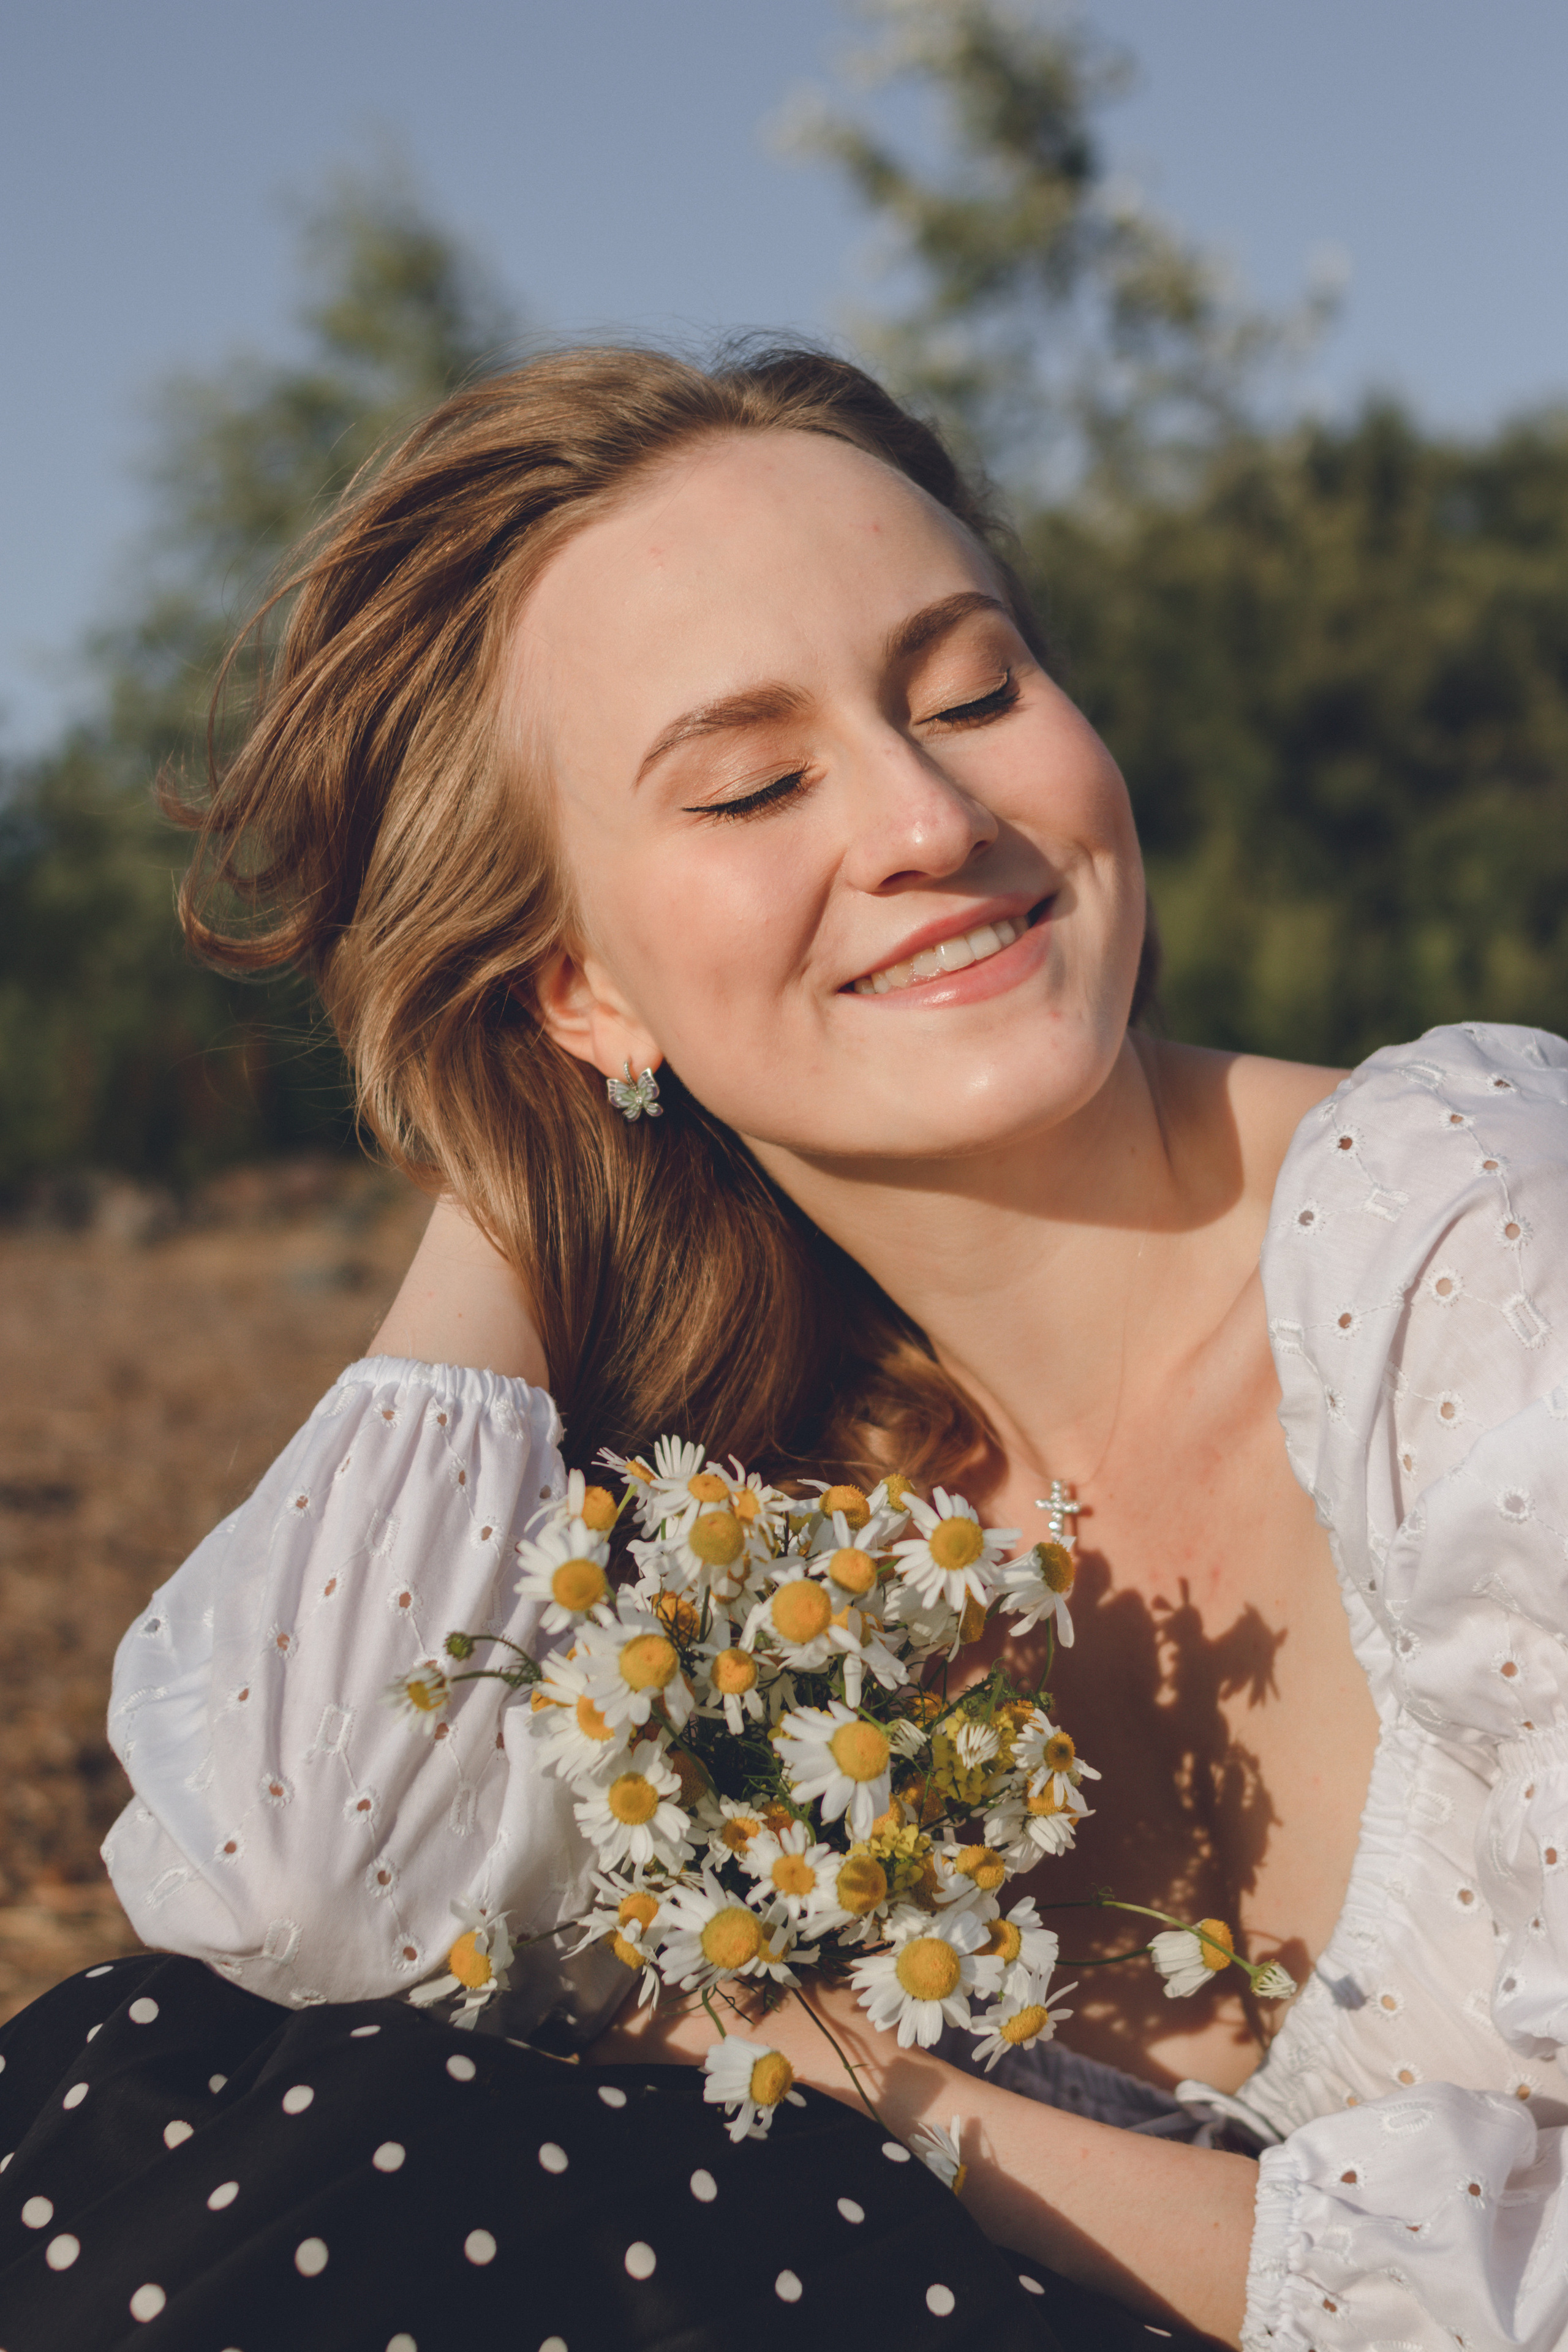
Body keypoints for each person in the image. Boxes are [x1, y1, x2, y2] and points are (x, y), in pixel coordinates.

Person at [2, 344, 1565, 2352]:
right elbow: (289, 1873)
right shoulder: (760, 1533)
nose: (930, 817)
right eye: (752, 784)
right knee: (174, 2088)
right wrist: (517, 1157)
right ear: (579, 989)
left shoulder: (1471, 1245)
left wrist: (850, 2078)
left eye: (974, 690)